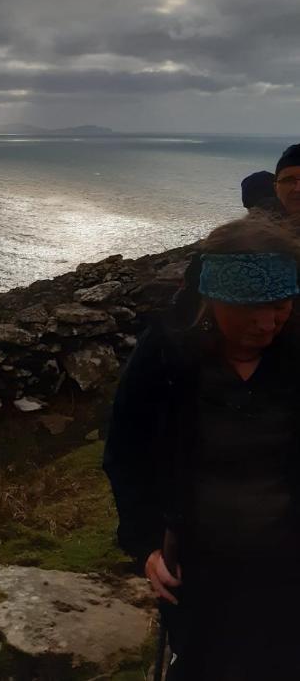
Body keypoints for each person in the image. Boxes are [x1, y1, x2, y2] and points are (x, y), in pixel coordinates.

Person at [103, 215, 300, 680]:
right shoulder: (169, 350)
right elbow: (126, 451)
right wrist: (146, 544)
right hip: (197, 555)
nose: (267, 323)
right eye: (248, 308)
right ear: (212, 298)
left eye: (281, 305)